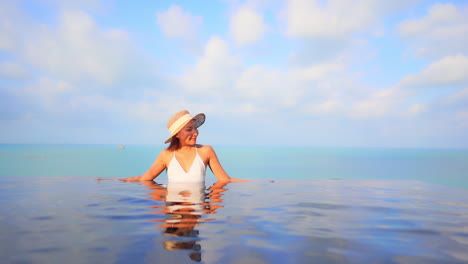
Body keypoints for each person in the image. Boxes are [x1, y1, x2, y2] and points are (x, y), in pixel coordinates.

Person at [120, 110, 247, 183]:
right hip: (173, 209)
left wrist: (254, 184)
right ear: (177, 134)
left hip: (197, 209)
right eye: (189, 129)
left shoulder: (206, 151)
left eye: (195, 128)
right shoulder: (166, 155)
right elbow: (144, 179)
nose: (195, 133)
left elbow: (226, 180)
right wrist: (115, 181)